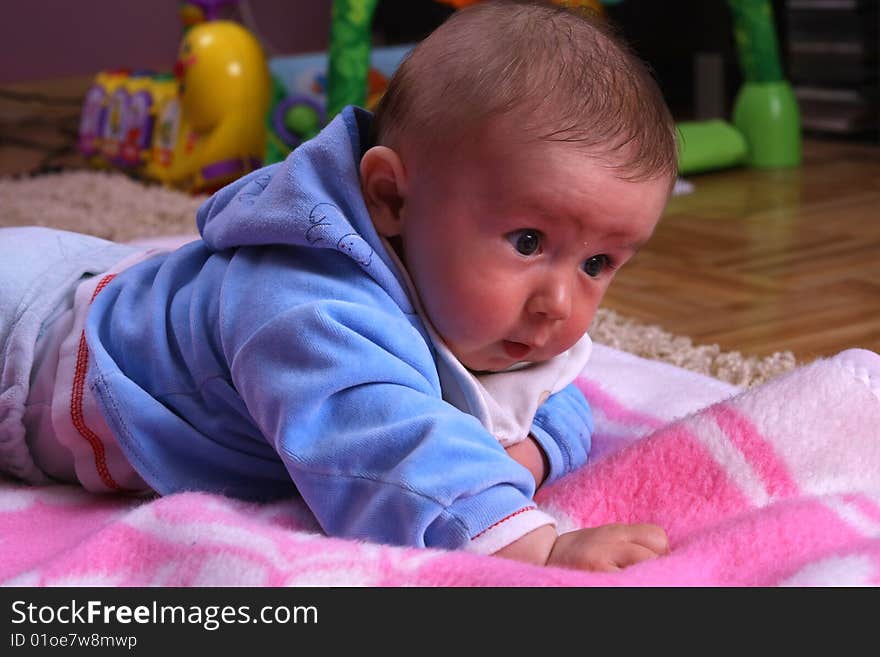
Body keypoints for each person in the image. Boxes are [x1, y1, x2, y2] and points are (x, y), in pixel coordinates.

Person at [0, 0, 677, 572]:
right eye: (528, 242)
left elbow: (553, 393)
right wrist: (537, 545)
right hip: (30, 350)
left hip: (104, 278)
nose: (561, 303)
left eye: (598, 264)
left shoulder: (499, 312)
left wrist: (529, 448)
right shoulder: (309, 310)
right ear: (389, 199)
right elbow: (390, 452)